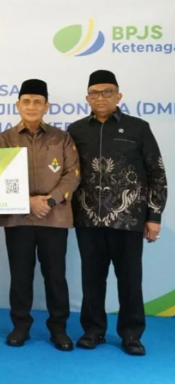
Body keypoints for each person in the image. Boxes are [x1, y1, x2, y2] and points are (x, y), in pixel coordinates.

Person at [67, 70, 167, 356]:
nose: (101, 97)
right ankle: (93, 330)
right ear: (87, 98)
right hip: (88, 219)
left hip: (128, 219)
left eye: (107, 92)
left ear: (118, 95)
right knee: (92, 279)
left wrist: (154, 217)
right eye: (95, 93)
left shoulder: (138, 128)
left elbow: (157, 174)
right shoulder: (76, 130)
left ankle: (131, 334)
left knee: (130, 280)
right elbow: (68, 173)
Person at [0, 79, 80, 351]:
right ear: (17, 105)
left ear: (47, 106)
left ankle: (59, 329)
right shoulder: (5, 139)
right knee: (20, 275)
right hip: (18, 217)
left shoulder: (62, 138)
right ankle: (20, 326)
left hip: (54, 217)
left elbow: (72, 175)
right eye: (26, 101)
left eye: (37, 102)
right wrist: (28, 202)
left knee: (55, 276)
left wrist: (50, 200)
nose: (31, 106)